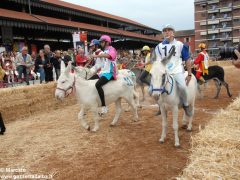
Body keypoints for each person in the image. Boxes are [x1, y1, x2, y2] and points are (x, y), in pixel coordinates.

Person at [154, 24, 193, 117]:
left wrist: (190, 74)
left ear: (173, 32)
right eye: (165, 30)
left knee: (183, 87)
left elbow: (187, 59)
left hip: (177, 71)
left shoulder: (180, 45)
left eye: (169, 30)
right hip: (165, 72)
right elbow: (158, 61)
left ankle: (186, 105)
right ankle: (161, 106)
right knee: (154, 88)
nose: (167, 32)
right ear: (163, 33)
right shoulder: (159, 47)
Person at [89, 35, 117, 114]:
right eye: (100, 42)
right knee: (89, 80)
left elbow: (109, 56)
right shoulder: (104, 50)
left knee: (97, 85)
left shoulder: (112, 49)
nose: (101, 43)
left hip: (110, 72)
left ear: (107, 42)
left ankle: (104, 106)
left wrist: (97, 56)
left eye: (102, 42)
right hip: (104, 72)